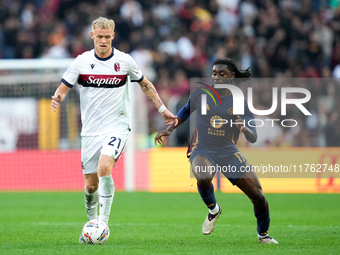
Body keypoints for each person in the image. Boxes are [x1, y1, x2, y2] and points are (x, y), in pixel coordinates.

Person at [51, 17, 177, 243]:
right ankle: (91, 223)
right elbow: (63, 87)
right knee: (90, 185)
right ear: (92, 36)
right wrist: (57, 98)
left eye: (107, 37)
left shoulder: (124, 61)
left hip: (117, 126)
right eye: (99, 36)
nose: (103, 41)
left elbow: (145, 83)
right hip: (90, 131)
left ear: (113, 36)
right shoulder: (82, 61)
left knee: (104, 167)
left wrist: (162, 109)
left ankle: (103, 223)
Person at [155, 58, 278, 244]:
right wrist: (170, 128)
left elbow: (253, 136)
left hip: (228, 151)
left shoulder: (239, 101)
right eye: (214, 74)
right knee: (203, 176)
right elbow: (186, 110)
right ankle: (213, 209)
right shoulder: (200, 93)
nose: (217, 77)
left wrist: (244, 129)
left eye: (222, 74)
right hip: (203, 148)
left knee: (258, 196)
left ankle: (263, 235)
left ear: (232, 77)